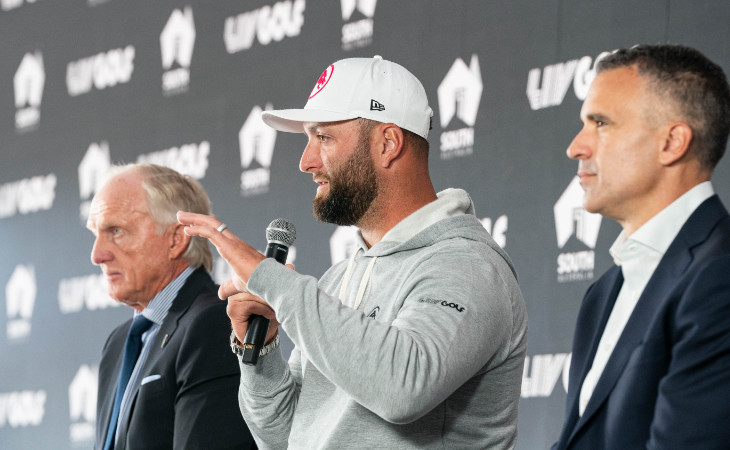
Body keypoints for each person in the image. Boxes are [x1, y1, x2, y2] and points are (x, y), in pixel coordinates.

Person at [177, 56, 528, 449]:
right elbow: (284, 437)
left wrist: (269, 278)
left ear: (388, 143)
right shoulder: (339, 278)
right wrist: (263, 352)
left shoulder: (468, 265)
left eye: (323, 137)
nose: (305, 162)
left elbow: (403, 387)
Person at [553, 44, 730, 449]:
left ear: (672, 142)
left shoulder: (720, 276)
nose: (576, 146)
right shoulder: (602, 293)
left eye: (601, 123)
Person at [88, 164, 256, 449]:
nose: (97, 255)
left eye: (116, 231)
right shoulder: (118, 343)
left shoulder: (215, 321)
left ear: (176, 239)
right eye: (96, 233)